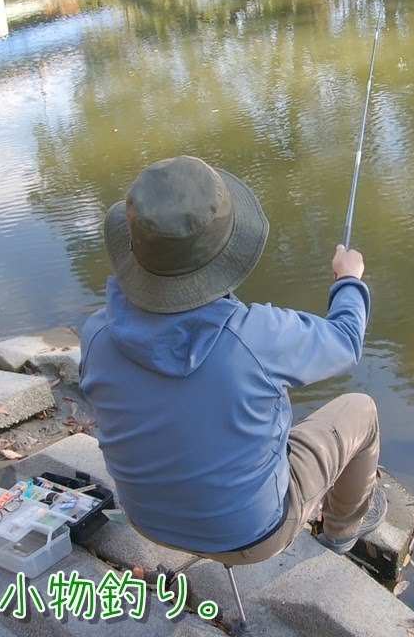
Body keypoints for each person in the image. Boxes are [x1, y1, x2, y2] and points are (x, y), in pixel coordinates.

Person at [79, 155, 385, 564]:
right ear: (225, 253)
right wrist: (349, 279)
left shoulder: (96, 335)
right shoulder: (258, 336)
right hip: (250, 536)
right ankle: (342, 531)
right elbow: (345, 341)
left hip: (144, 520)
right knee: (361, 411)